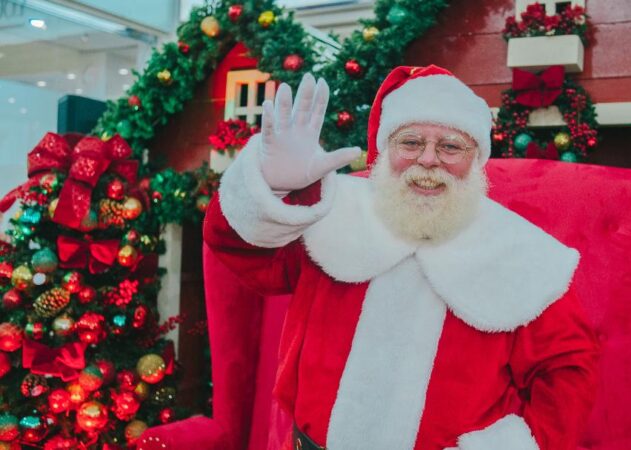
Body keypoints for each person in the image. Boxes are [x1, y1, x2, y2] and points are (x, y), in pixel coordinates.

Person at [204, 65, 599, 450]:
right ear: (385, 150)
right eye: (410, 143)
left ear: (477, 158)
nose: (428, 160)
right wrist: (273, 189)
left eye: (450, 146)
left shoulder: (523, 254)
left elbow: (568, 371)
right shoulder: (333, 213)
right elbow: (242, 251)